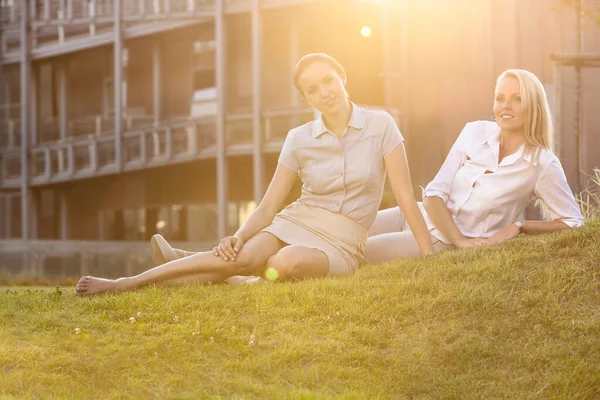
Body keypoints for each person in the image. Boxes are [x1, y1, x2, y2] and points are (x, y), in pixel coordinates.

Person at [75, 53, 433, 295]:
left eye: (328, 81)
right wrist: (237, 236)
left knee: (285, 263)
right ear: (306, 98)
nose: (324, 92)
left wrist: (429, 255)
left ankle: (191, 262)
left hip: (345, 241)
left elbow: (404, 198)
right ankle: (124, 284)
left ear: (342, 77)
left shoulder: (381, 124)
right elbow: (268, 207)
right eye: (313, 89)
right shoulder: (299, 139)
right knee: (244, 256)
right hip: (297, 221)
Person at [365, 69, 584, 264]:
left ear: (533, 106)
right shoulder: (475, 131)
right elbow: (433, 195)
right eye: (500, 98)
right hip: (414, 214)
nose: (505, 106)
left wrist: (520, 226)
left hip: (438, 240)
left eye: (517, 99)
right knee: (346, 231)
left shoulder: (542, 163)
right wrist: (460, 241)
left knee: (355, 251)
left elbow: (573, 222)